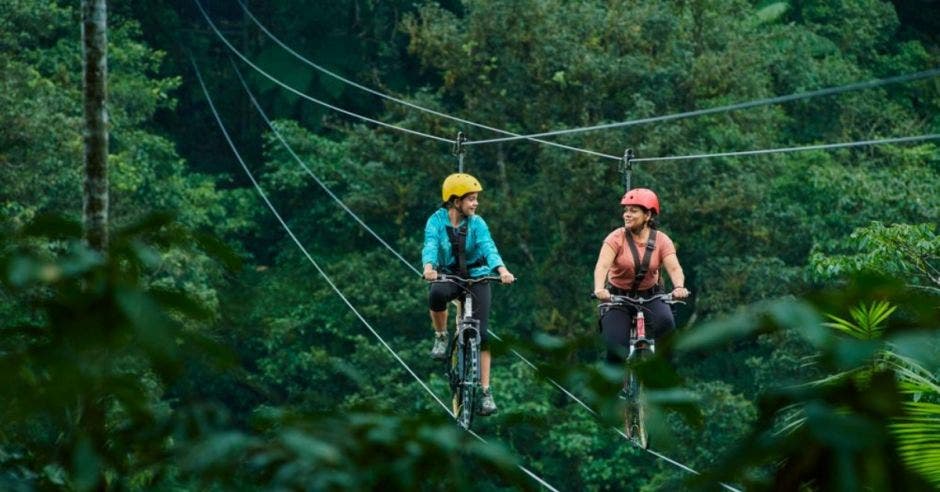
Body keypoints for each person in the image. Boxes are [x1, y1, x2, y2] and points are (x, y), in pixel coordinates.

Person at [422, 172, 515, 416]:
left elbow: (489, 247)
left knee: (482, 335)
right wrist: (429, 267)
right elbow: (430, 245)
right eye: (471, 199)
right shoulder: (436, 221)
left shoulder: (478, 223)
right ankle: (441, 336)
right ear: (455, 201)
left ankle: (485, 392)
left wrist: (502, 271)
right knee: (436, 293)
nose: (475, 203)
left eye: (476, 199)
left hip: (478, 277)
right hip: (450, 276)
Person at [592, 188, 689, 365]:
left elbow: (674, 268)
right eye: (626, 210)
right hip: (618, 297)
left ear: (648, 215)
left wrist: (679, 287)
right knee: (615, 346)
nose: (627, 215)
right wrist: (599, 288)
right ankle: (612, 387)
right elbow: (602, 266)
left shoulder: (661, 240)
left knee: (667, 327)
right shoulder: (615, 238)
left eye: (633, 211)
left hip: (651, 295)